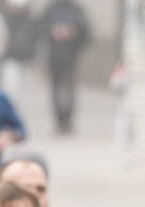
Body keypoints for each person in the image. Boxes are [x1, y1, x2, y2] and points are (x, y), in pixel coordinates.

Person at [41, 0, 90, 135]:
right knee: (56, 90)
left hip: (70, 56)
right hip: (54, 56)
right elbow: (41, 28)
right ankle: (59, 121)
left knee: (69, 90)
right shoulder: (51, 9)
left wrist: (73, 32)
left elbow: (86, 31)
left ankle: (68, 121)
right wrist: (53, 32)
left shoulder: (76, 10)